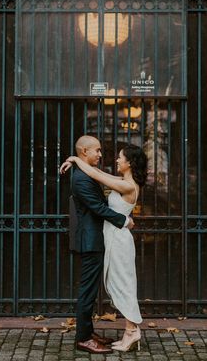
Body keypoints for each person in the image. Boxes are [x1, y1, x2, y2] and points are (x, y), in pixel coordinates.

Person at [60, 139, 147, 352]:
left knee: (123, 284)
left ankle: (131, 331)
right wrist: (76, 160)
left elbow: (99, 177)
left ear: (130, 163)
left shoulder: (127, 184)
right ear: (84, 151)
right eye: (97, 150)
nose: (112, 158)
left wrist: (76, 160)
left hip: (118, 240)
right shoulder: (117, 179)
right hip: (109, 238)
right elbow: (102, 177)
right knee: (114, 285)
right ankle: (87, 335)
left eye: (120, 157)